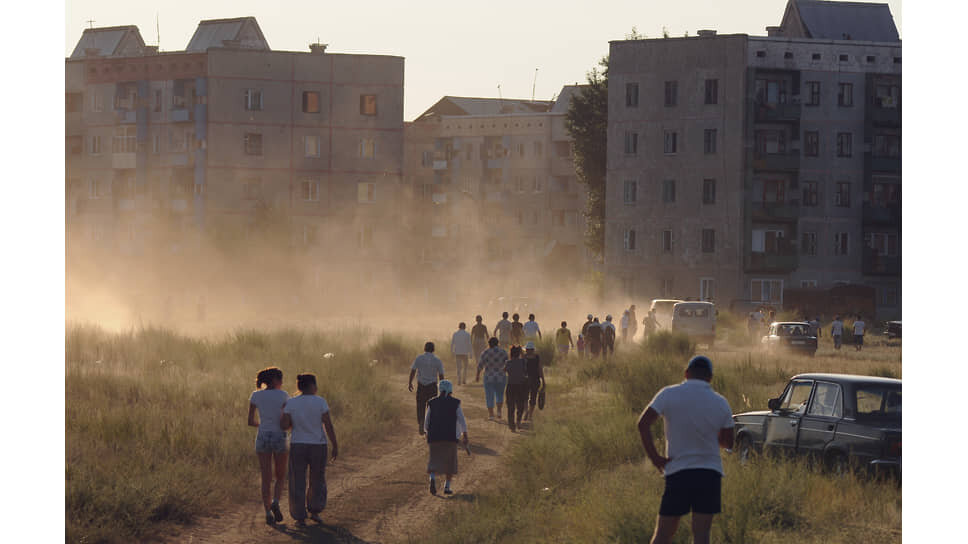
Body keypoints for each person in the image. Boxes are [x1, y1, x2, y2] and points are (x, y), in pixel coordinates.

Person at [637, 356, 734, 544]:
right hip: (709, 474)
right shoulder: (721, 402)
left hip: (678, 473)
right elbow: (728, 443)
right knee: (701, 534)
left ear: (686, 373)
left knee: (664, 533)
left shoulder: (668, 394)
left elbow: (643, 424)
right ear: (710, 378)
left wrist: (655, 458)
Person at [281, 373, 338, 526]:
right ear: (312, 386)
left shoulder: (291, 403)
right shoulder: (320, 402)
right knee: (317, 479)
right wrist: (335, 444)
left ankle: (299, 517)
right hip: (318, 445)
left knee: (297, 480)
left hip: (297, 444)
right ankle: (315, 510)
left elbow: (285, 426)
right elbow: (328, 425)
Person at [248, 367, 290, 525]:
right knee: (280, 476)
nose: (282, 382)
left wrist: (263, 424)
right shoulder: (284, 395)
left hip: (263, 436)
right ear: (275, 380)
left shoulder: (255, 395)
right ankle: (276, 502)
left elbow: (250, 421)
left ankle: (267, 512)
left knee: (266, 478)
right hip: (279, 436)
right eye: (281, 379)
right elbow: (286, 420)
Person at [424, 379, 468, 496]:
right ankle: (447, 487)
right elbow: (462, 420)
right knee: (450, 462)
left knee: (434, 460)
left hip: (434, 436)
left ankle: (432, 478)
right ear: (450, 391)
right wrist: (465, 435)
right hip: (450, 437)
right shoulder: (455, 403)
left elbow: (426, 421)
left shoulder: (432, 402)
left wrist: (427, 432)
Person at [409, 342, 445, 435]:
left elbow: (413, 370)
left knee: (420, 405)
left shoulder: (419, 358)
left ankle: (421, 421)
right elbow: (441, 375)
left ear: (424, 348)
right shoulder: (437, 360)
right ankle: (429, 427)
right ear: (433, 349)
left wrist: (410, 382)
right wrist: (442, 387)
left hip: (421, 385)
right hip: (432, 386)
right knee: (432, 407)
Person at [476, 337, 508, 420]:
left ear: (489, 343)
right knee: (500, 394)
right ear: (498, 343)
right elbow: (508, 364)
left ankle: (491, 414)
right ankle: (499, 411)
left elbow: (480, 365)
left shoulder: (485, 352)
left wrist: (477, 375)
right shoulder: (503, 352)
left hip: (489, 377)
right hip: (501, 376)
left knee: (489, 395)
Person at [504, 346, 530, 431]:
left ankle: (512, 426)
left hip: (511, 386)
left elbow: (504, 370)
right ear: (519, 353)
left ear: (511, 353)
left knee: (510, 407)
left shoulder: (508, 362)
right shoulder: (523, 362)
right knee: (520, 405)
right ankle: (518, 421)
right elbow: (526, 370)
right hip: (521, 386)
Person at [523, 341, 545, 422]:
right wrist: (543, 380)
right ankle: (530, 415)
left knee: (525, 397)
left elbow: (521, 369)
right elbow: (540, 369)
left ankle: (526, 411)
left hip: (525, 380)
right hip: (535, 380)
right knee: (533, 398)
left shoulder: (524, 357)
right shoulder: (537, 357)